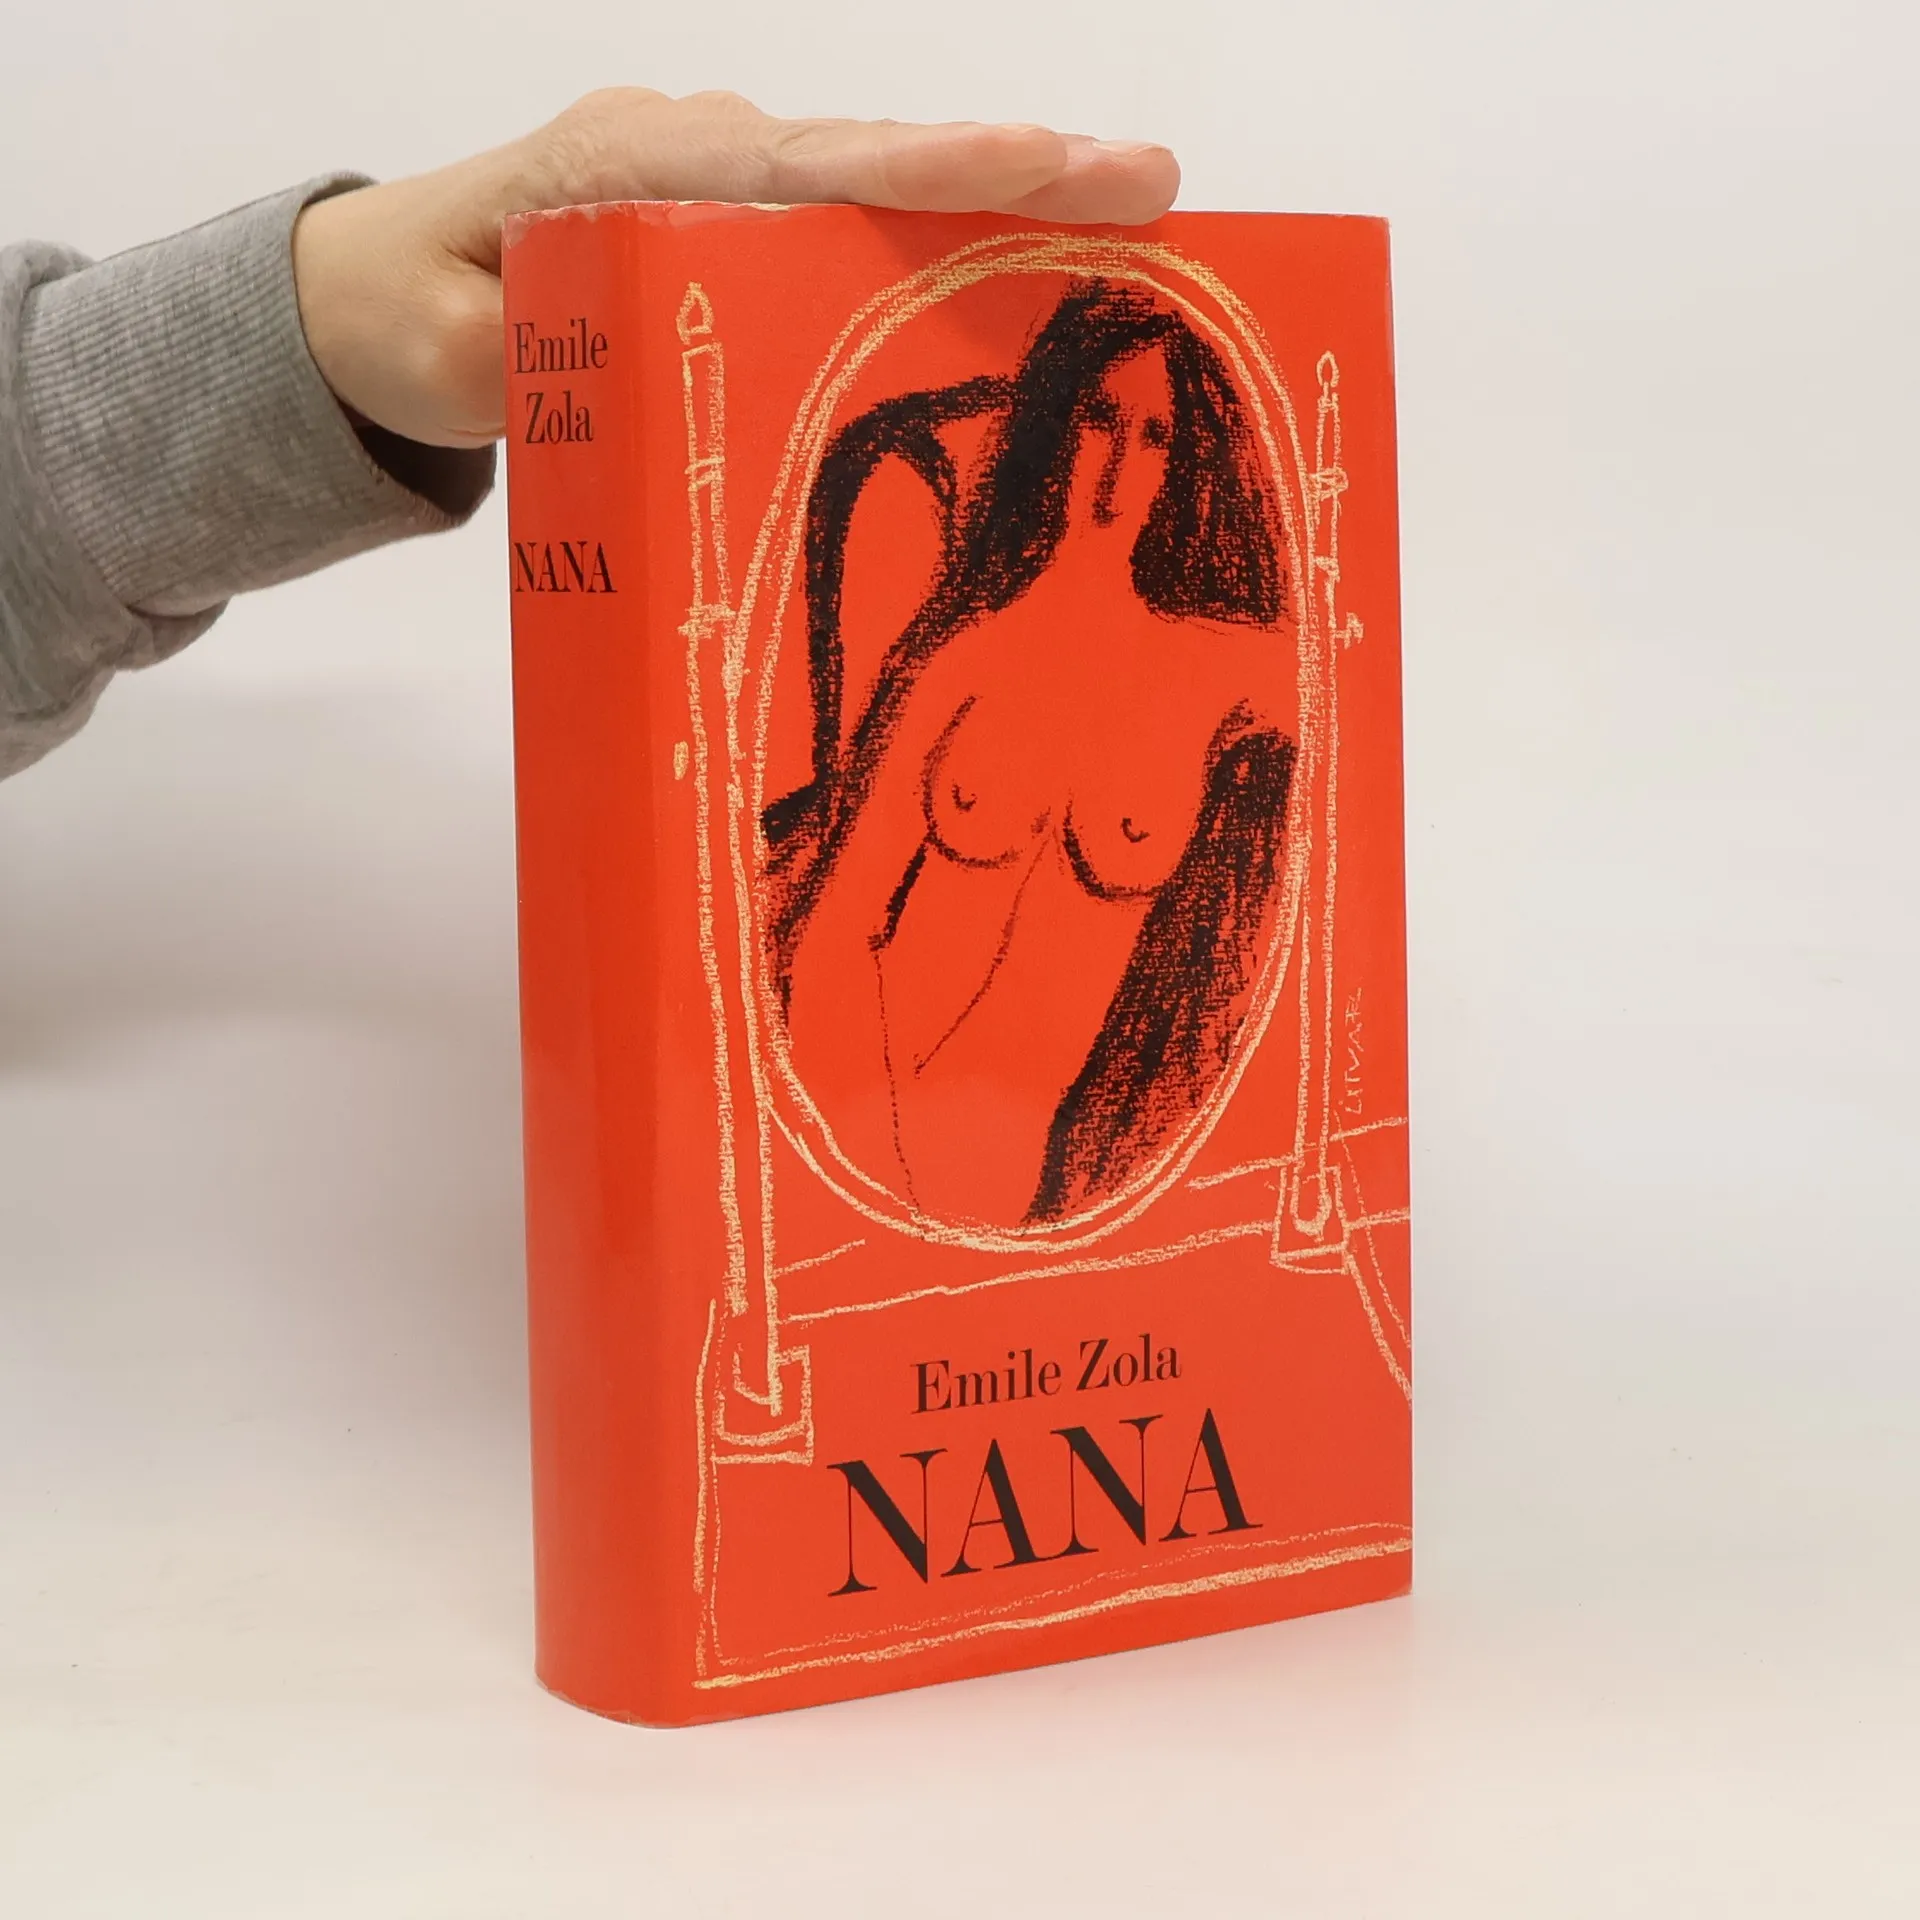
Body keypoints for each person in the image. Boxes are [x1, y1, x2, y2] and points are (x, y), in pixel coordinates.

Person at [0, 90, 1178, 780]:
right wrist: (277, 332)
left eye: (1157, 435)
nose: (1118, 466)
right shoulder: (918, 528)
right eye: (1098, 420)